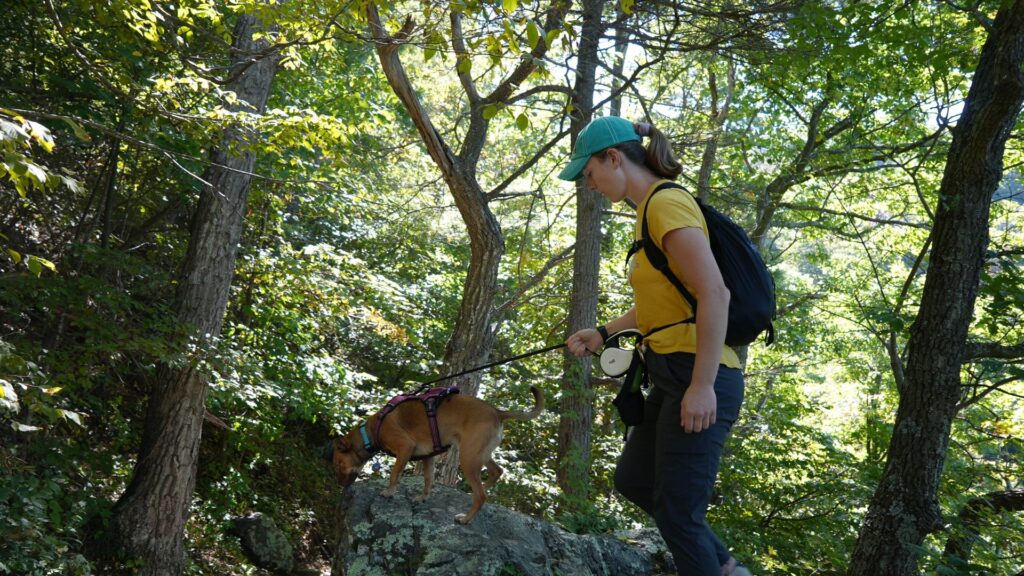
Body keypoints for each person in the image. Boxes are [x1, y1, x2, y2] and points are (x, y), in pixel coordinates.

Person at [562, 115, 750, 576]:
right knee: (634, 481)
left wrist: (702, 385)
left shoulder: (666, 205)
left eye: (589, 174)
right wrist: (605, 332)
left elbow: (715, 294)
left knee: (678, 513)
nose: (589, 186)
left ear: (612, 158)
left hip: (699, 375)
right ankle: (725, 566)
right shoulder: (648, 212)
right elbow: (662, 305)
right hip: (669, 373)